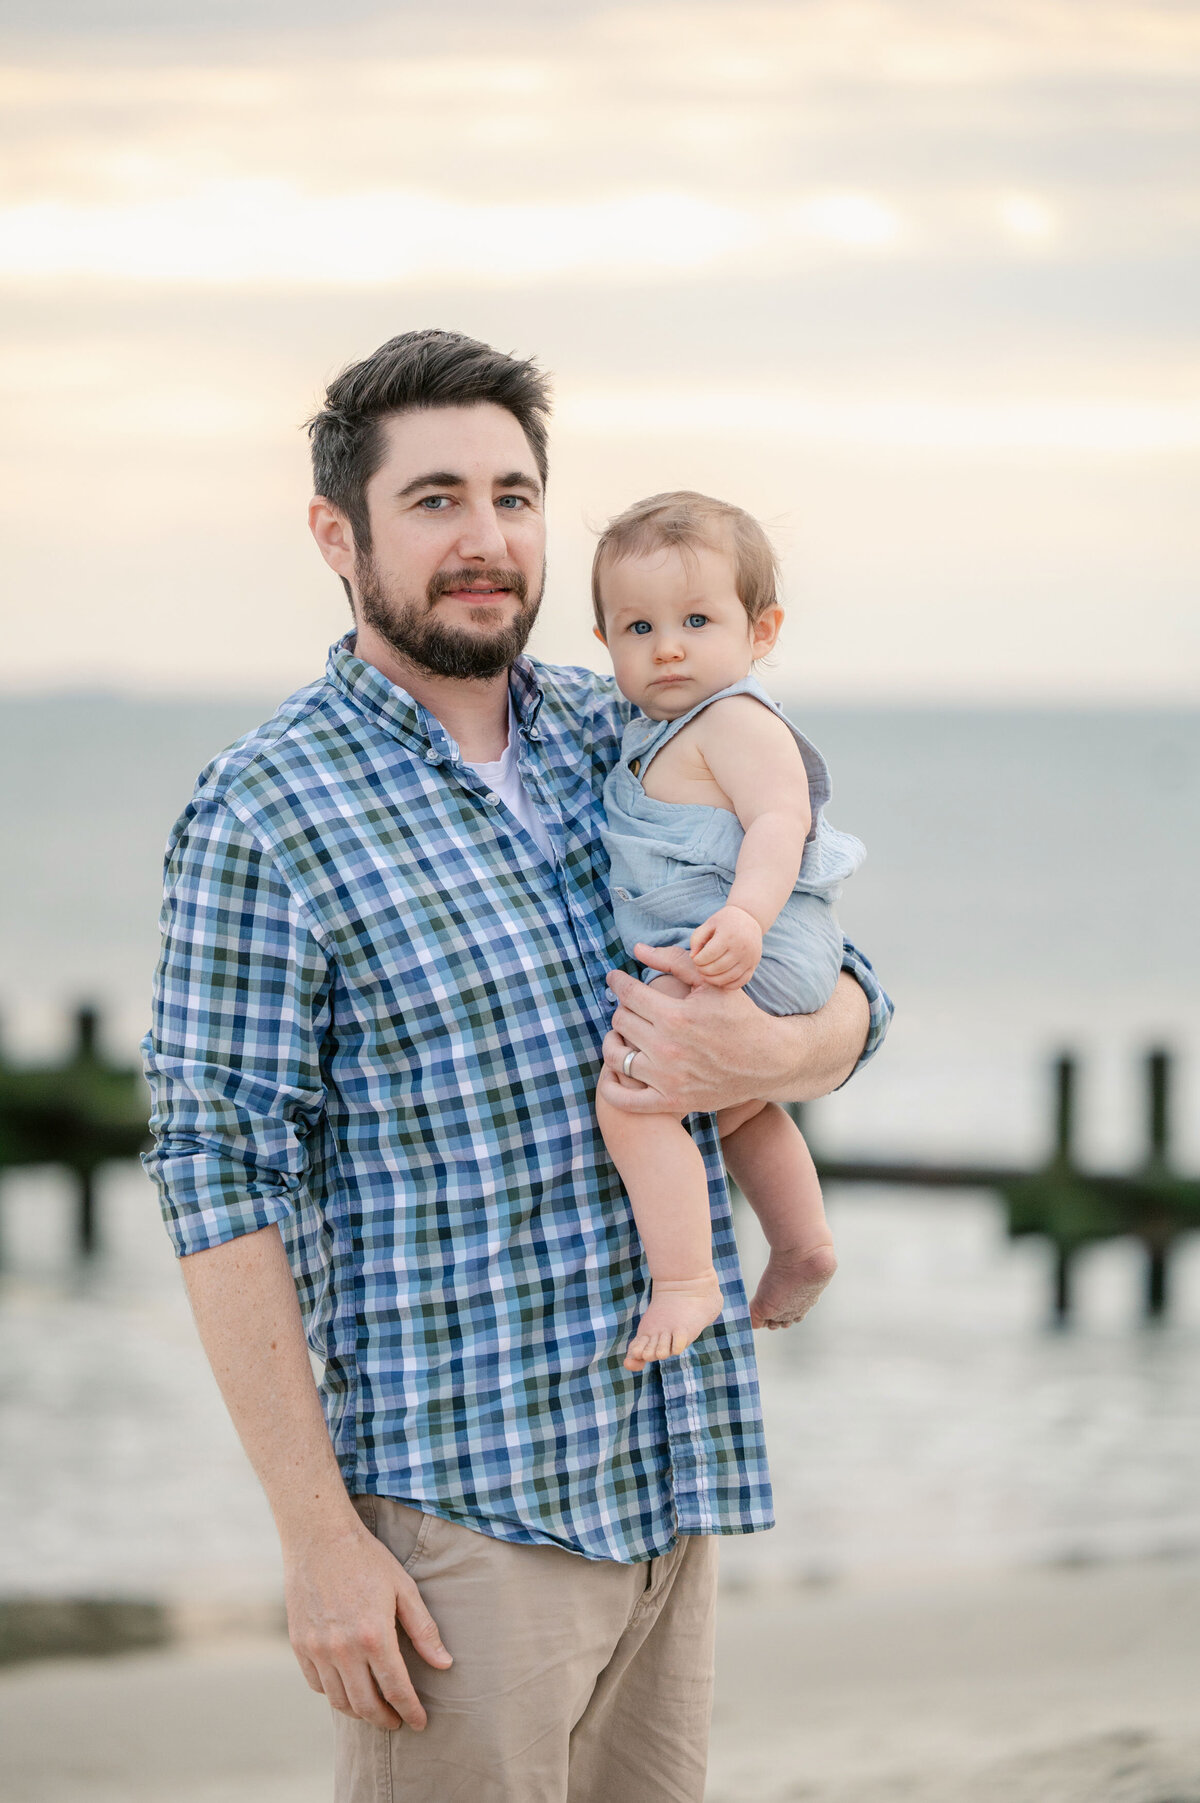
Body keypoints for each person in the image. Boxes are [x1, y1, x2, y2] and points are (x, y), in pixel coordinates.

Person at [142, 328, 892, 1803]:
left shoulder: (627, 724)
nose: (487, 539)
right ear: (336, 533)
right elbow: (216, 1178)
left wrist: (777, 1043)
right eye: (434, 499)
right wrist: (318, 1541)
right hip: (463, 1516)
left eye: (514, 492)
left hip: (667, 1471)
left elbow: (848, 977)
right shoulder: (263, 813)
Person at [592, 492, 864, 1372]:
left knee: (632, 1093)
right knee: (738, 1098)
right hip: (740, 940)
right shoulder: (648, 731)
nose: (666, 645)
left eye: (697, 619)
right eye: (637, 627)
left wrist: (745, 917)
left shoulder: (736, 720)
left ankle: (685, 1278)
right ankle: (801, 1241)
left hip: (762, 937)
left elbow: (782, 822)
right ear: (604, 643)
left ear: (762, 629)